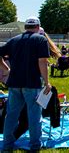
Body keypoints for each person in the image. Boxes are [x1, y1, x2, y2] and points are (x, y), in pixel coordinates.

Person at [0, 16, 51, 150]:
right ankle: (35, 146)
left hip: (14, 84)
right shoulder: (41, 39)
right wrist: (47, 82)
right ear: (38, 27)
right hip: (32, 83)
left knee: (11, 115)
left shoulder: (13, 40)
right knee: (34, 116)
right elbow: (42, 62)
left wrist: (7, 69)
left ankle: (7, 145)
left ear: (25, 27)